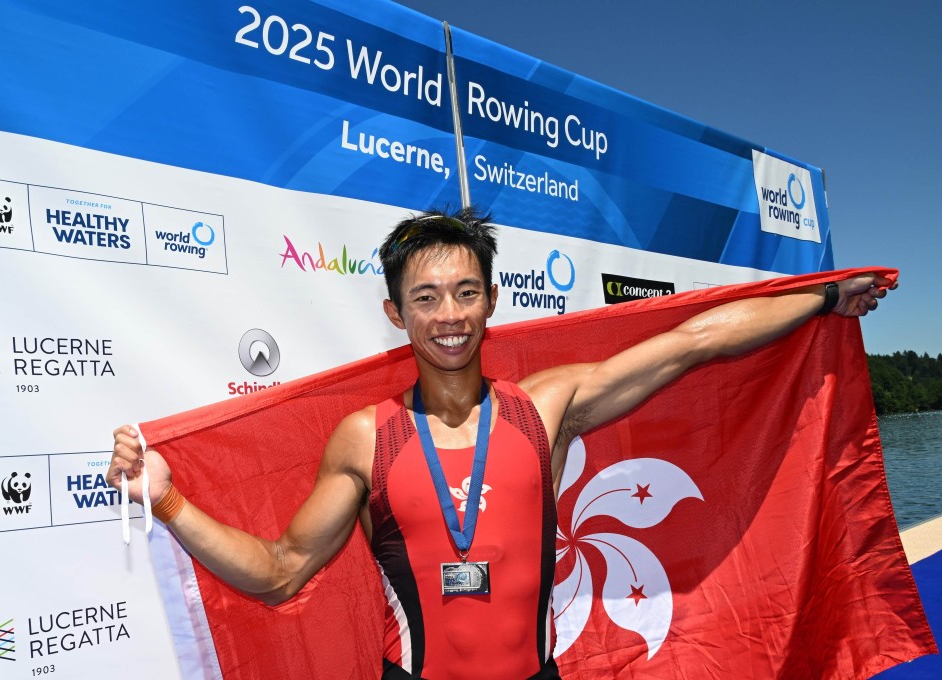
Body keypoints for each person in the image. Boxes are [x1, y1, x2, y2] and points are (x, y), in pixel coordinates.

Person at [107, 207, 894, 680]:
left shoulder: (544, 409)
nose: (447, 314)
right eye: (425, 297)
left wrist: (825, 296)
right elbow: (279, 575)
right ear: (396, 315)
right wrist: (169, 499)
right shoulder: (366, 438)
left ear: (490, 303)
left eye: (465, 292)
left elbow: (697, 340)